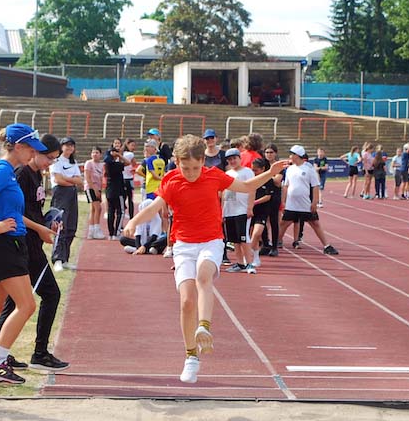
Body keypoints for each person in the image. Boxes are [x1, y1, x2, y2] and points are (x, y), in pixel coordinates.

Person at [123, 135, 288, 384]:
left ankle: (204, 327)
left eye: (195, 167)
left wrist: (270, 173)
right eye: (185, 167)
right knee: (186, 301)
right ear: (177, 162)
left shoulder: (214, 176)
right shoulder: (171, 180)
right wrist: (134, 221)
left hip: (211, 241)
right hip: (183, 245)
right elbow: (155, 205)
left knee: (204, 275)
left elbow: (245, 187)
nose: (190, 173)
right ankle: (191, 356)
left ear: (203, 161)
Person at [0, 124, 48, 385]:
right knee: (27, 305)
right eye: (30, 149)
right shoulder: (4, 169)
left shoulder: (9, 171)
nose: (32, 154)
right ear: (17, 146)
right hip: (4, 244)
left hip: (2, 244)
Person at [0, 134, 70, 371]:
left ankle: (0, 355)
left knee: (12, 302)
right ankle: (39, 352)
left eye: (55, 159)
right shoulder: (21, 174)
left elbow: (33, 210)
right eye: (48, 157)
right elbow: (15, 214)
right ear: (34, 151)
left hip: (29, 244)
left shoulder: (35, 174)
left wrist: (49, 222)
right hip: (22, 245)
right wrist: (40, 229)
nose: (50, 163)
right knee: (50, 294)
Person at [280, 146, 339, 255]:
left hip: (305, 203)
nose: (290, 156)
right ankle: (276, 242)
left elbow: (315, 186)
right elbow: (285, 186)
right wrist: (283, 201)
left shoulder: (309, 168)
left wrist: (314, 202)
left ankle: (327, 246)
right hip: (291, 204)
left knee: (315, 223)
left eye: (292, 154)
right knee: (283, 223)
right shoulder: (289, 169)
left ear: (297, 155)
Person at [50, 137, 82, 271]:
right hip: (60, 193)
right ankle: (57, 258)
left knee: (71, 226)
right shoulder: (56, 161)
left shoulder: (73, 163)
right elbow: (58, 180)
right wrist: (71, 181)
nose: (69, 148)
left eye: (71, 146)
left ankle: (65, 259)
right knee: (61, 225)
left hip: (72, 194)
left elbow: (79, 180)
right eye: (66, 145)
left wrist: (68, 180)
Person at [222, 148, 256, 273]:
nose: (232, 161)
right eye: (230, 159)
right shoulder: (227, 174)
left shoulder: (247, 172)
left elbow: (252, 189)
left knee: (244, 238)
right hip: (229, 210)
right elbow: (224, 192)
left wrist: (250, 207)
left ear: (239, 158)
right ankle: (240, 263)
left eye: (234, 158)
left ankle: (250, 263)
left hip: (242, 209)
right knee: (235, 240)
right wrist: (222, 210)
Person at [248, 158, 274, 268]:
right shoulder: (250, 179)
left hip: (262, 211)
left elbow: (268, 196)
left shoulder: (268, 180)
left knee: (257, 234)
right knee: (248, 235)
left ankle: (252, 255)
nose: (254, 172)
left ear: (263, 169)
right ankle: (254, 257)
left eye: (256, 170)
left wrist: (255, 202)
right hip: (249, 210)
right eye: (252, 170)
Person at [104, 139, 128, 239]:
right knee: (120, 211)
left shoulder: (108, 165)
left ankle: (110, 233)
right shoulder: (116, 165)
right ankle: (116, 232)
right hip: (118, 191)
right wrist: (119, 155)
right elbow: (128, 162)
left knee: (111, 212)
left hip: (109, 190)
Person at [261, 144, 282, 255]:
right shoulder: (262, 164)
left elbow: (277, 182)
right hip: (263, 195)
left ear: (275, 153)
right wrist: (270, 175)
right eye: (267, 152)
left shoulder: (278, 165)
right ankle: (265, 244)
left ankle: (274, 247)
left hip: (274, 196)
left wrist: (266, 175)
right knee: (261, 221)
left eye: (271, 152)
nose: (269, 155)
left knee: (274, 221)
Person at [84, 146, 105, 239]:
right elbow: (87, 177)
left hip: (98, 188)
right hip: (90, 187)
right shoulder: (89, 163)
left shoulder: (101, 165)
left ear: (100, 154)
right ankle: (96, 229)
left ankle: (91, 231)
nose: (95, 154)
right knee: (98, 208)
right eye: (93, 152)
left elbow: (101, 178)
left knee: (93, 209)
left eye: (97, 153)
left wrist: (100, 190)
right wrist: (94, 189)